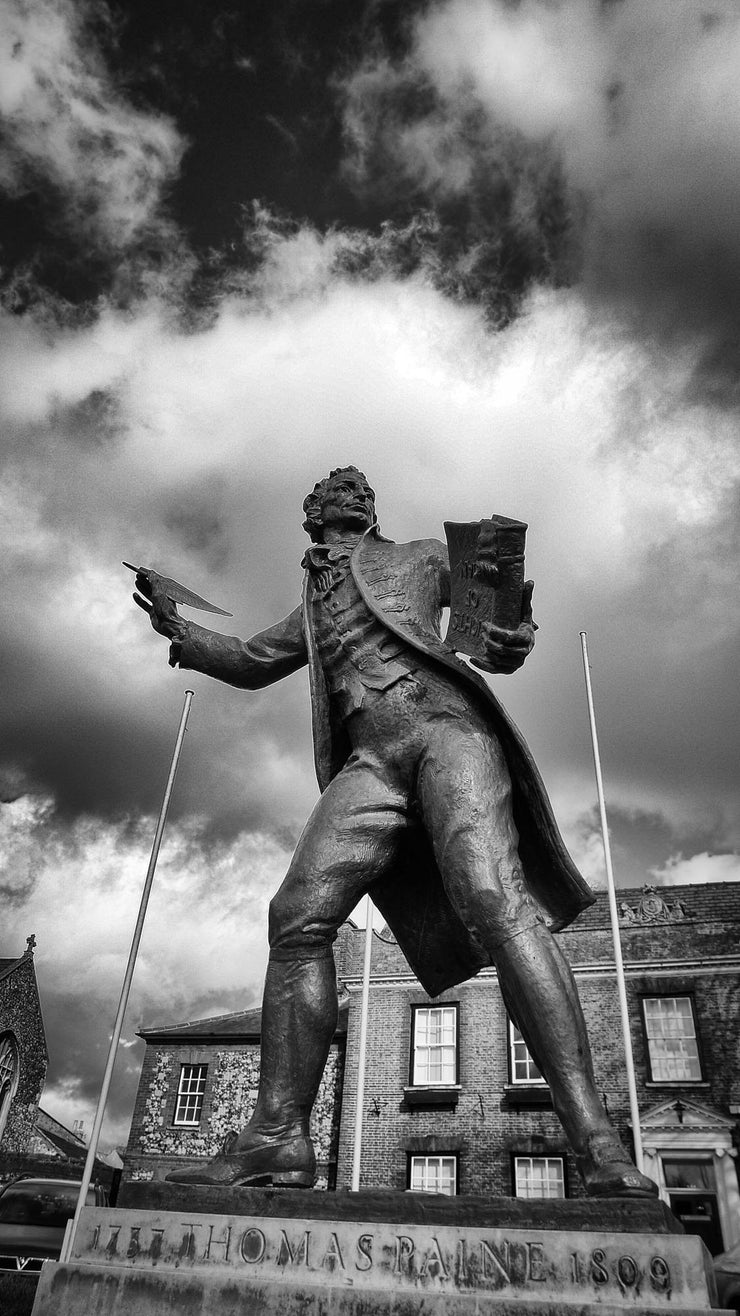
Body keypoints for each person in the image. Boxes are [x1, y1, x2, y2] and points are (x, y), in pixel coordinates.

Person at [133, 466, 656, 1197]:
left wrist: (511, 632)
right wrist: (179, 630)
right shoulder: (312, 607)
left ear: (370, 510)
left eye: (358, 488)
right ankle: (280, 1137)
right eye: (332, 489)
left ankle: (596, 1139)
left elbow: (499, 625)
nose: (347, 493)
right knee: (296, 920)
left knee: (495, 902)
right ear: (311, 514)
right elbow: (252, 661)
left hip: (446, 732)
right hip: (372, 763)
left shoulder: (418, 556)